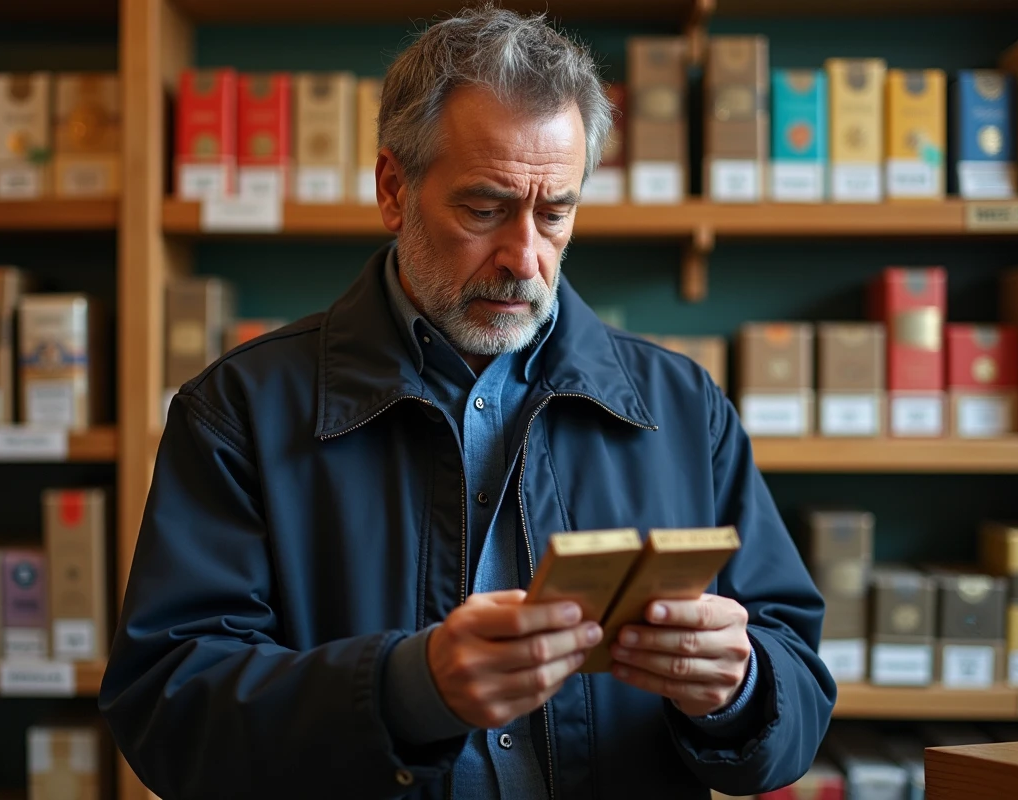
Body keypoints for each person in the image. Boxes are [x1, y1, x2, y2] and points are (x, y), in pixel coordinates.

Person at [99, 7, 835, 799]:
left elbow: (797, 694)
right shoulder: (238, 410)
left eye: (555, 213)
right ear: (394, 189)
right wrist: (406, 690)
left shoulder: (684, 408)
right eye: (484, 209)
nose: (524, 258)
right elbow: (168, 713)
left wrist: (741, 688)